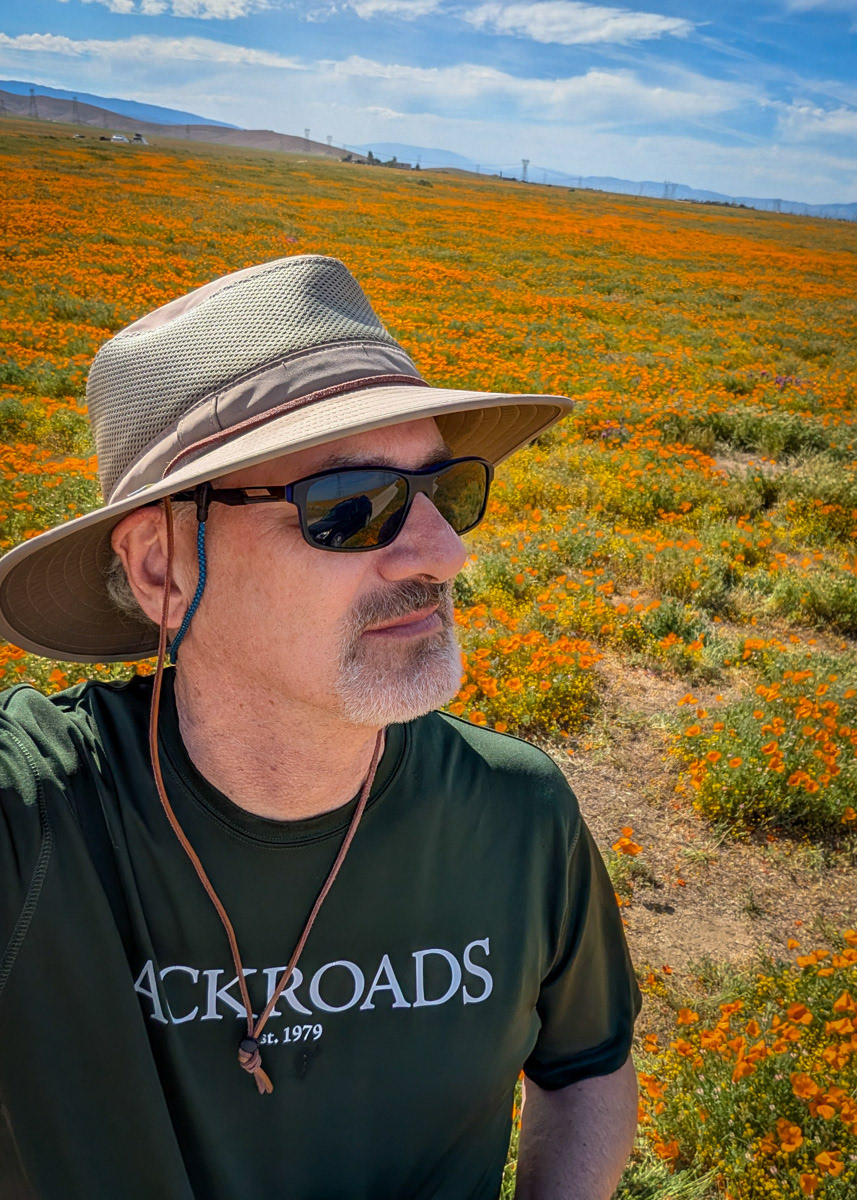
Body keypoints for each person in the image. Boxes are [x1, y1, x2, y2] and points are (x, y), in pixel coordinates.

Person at [0, 255, 642, 1199]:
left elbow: (584, 1065)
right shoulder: (35, 818)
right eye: (349, 508)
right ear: (160, 572)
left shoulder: (517, 812)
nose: (444, 551)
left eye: (447, 491)